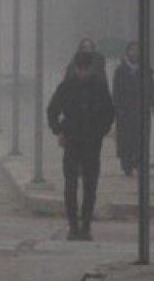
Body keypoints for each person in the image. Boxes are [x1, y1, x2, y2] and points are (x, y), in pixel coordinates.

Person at [48, 50, 115, 241]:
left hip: (92, 142)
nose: (83, 72)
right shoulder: (66, 87)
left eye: (86, 68)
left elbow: (110, 112)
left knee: (90, 185)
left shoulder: (99, 87)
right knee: (70, 184)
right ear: (76, 68)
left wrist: (101, 130)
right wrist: (59, 130)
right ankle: (73, 226)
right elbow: (52, 111)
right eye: (81, 68)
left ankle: (86, 225)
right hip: (72, 140)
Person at [112, 42, 154, 177]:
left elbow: (151, 88)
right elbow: (116, 91)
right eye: (132, 50)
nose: (135, 53)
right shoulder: (120, 70)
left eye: (138, 50)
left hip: (142, 111)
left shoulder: (146, 69)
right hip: (125, 112)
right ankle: (127, 164)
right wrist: (117, 108)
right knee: (126, 139)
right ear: (128, 52)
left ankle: (140, 163)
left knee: (142, 139)